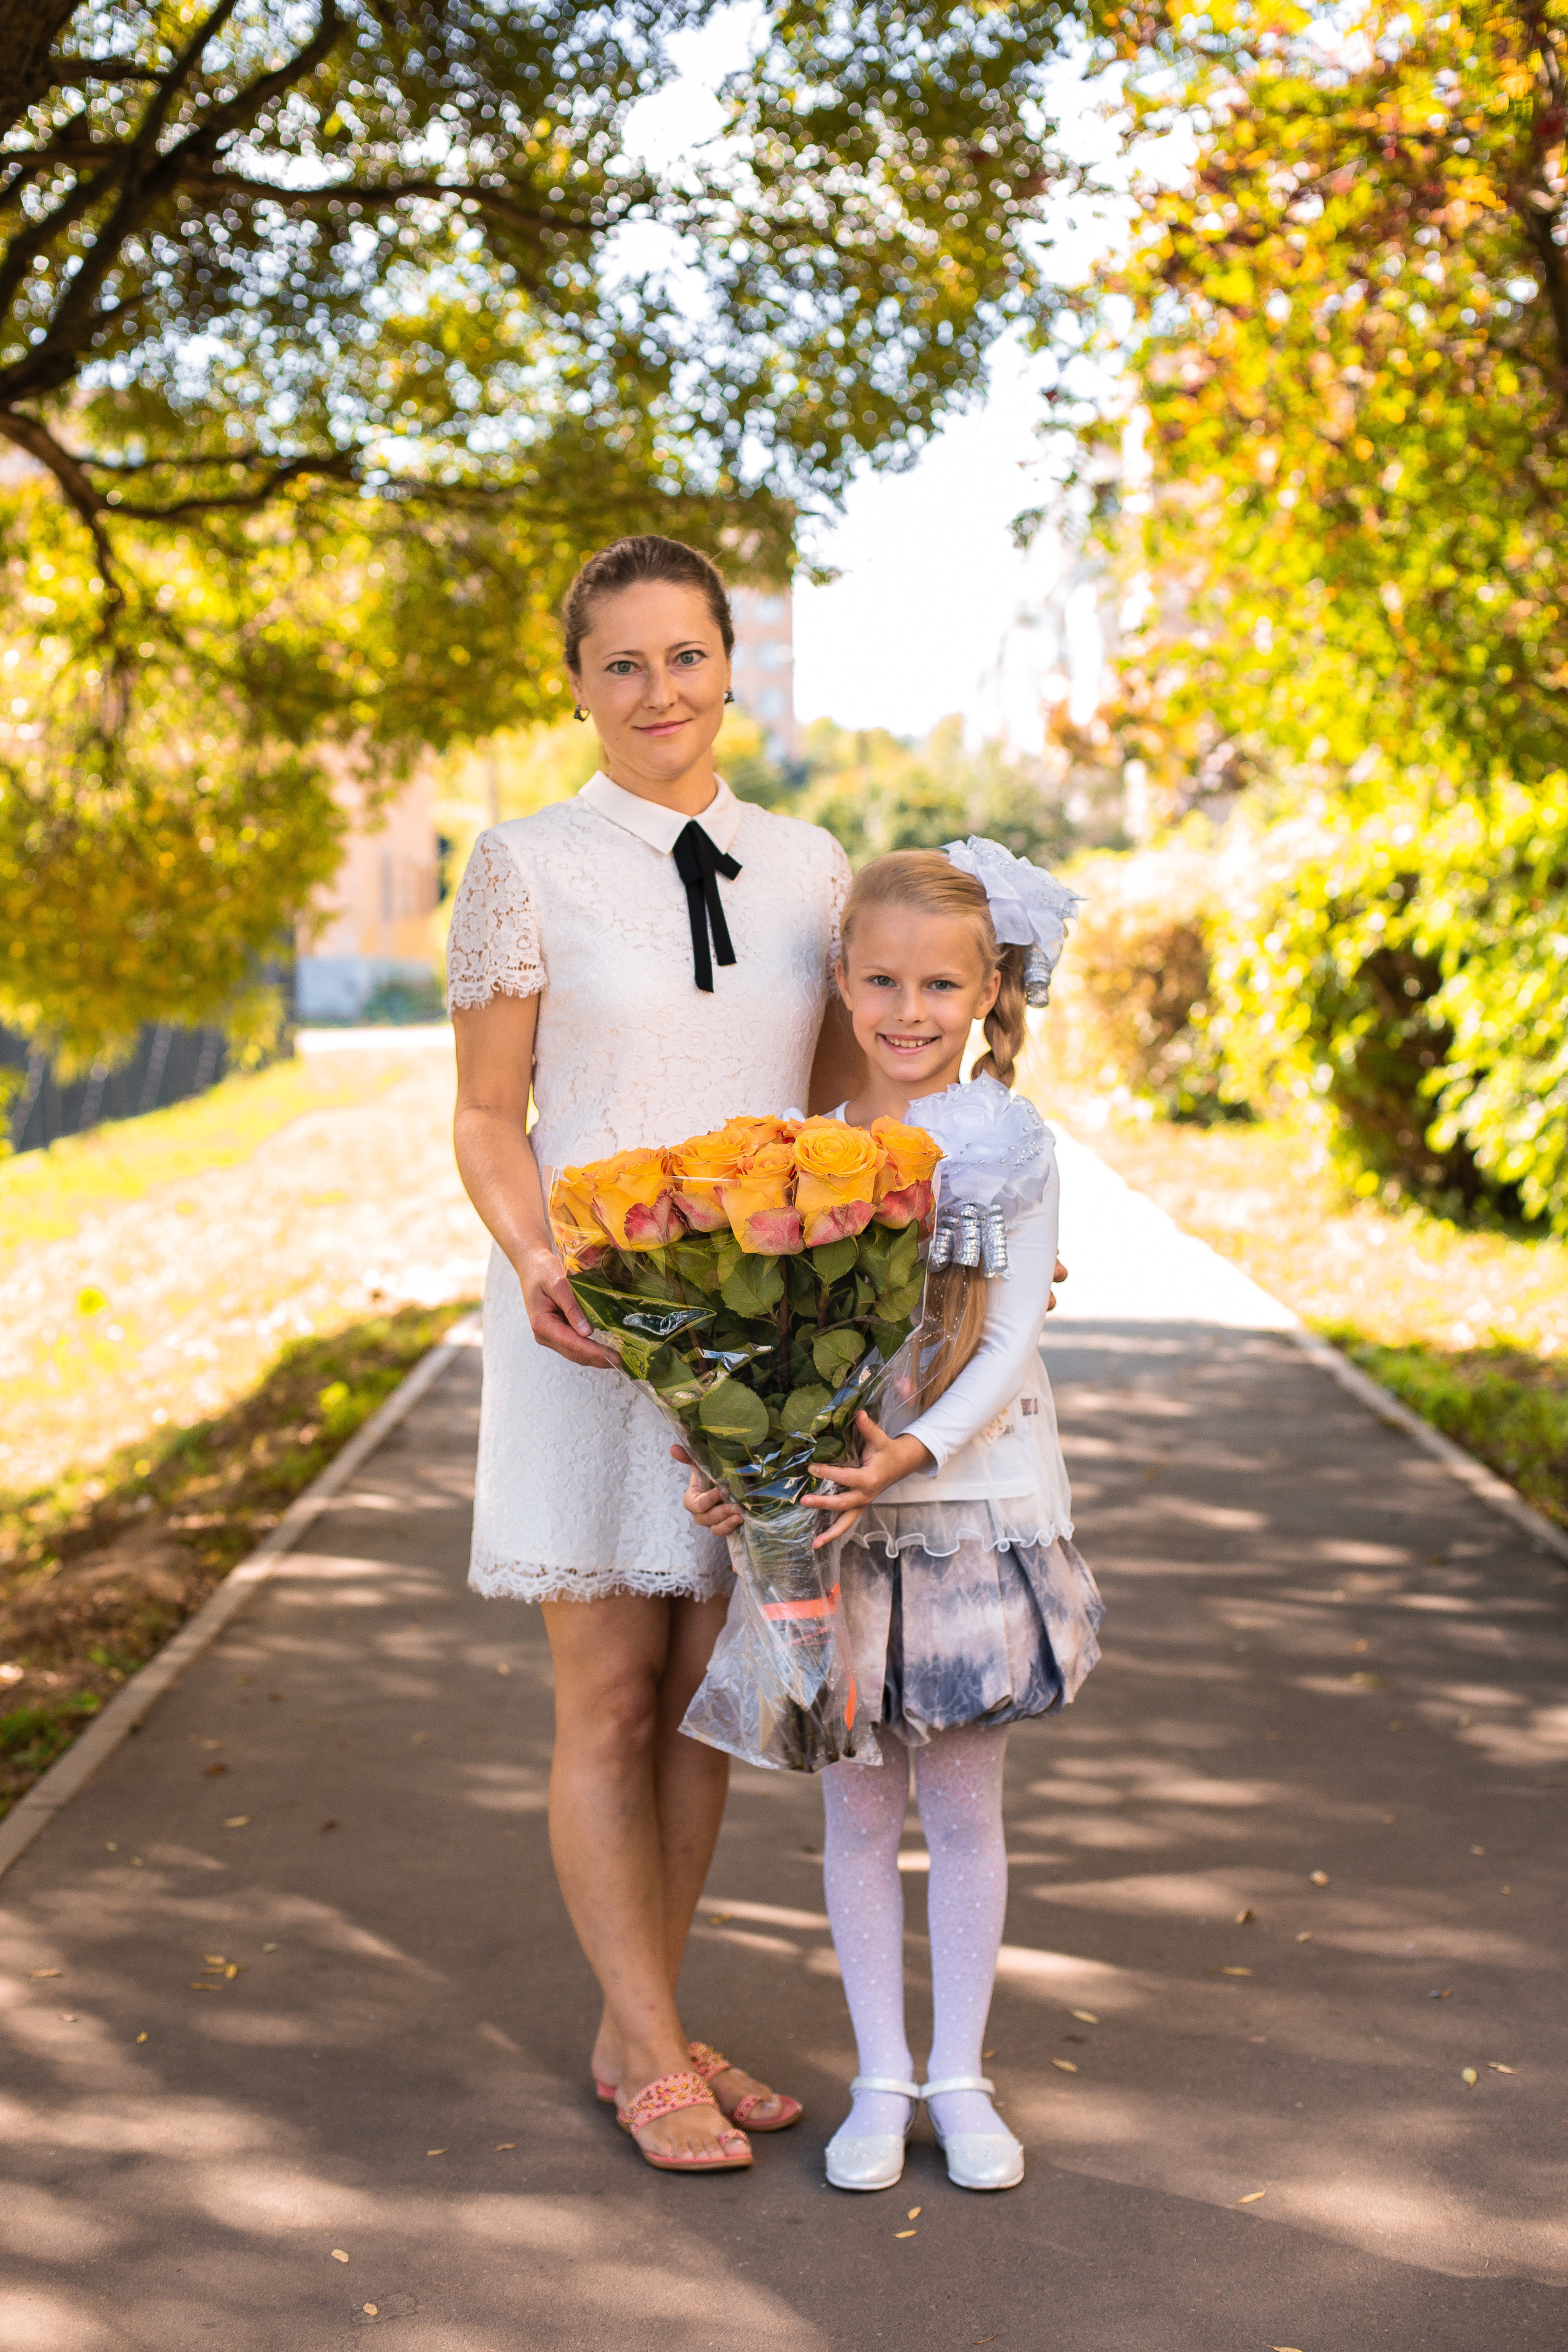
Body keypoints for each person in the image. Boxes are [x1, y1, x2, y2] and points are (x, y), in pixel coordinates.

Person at [447, 534, 860, 2174]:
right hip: (583, 1333)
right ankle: (655, 2050)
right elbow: (486, 1118)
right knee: (610, 1698)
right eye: (621, 663)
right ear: (577, 684)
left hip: (749, 1340)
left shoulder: (813, 864)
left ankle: (642, 2033)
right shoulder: (522, 863)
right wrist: (544, 1258)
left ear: (728, 664)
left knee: (699, 1700)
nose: (658, 692)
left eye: (684, 656)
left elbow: (842, 1113)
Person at [684, 839, 1102, 2193]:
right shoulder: (798, 1158)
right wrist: (742, 1467)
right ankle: (879, 2080)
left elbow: (998, 1353)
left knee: (965, 1807)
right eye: (880, 981)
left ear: (988, 993)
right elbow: (759, 1346)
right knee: (857, 1811)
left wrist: (905, 1453)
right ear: (841, 981)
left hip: (965, 1510)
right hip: (833, 1524)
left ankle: (961, 2079)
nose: (908, 1011)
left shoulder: (1007, 1148)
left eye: (939, 985)